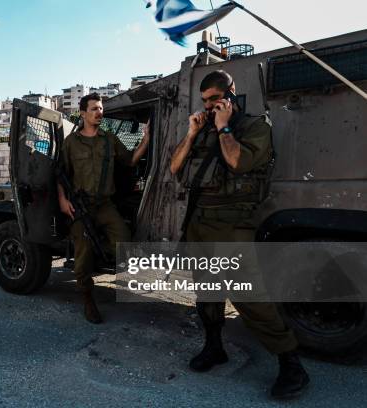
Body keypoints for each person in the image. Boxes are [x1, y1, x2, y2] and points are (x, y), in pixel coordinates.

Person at [170, 70, 310, 399]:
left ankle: (292, 365)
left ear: (231, 95)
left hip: (232, 228)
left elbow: (238, 162)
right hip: (200, 224)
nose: (208, 106)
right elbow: (175, 168)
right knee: (207, 292)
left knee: (250, 299)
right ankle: (214, 347)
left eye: (214, 99)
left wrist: (223, 127)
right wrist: (191, 134)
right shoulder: (202, 131)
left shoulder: (254, 127)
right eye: (204, 101)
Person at [58, 93, 149, 324]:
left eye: (101, 109)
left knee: (124, 241)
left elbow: (130, 161)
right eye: (94, 109)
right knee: (82, 257)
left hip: (105, 205)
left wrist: (146, 139)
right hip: (81, 206)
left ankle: (99, 252)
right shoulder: (71, 142)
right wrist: (62, 199)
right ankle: (88, 299)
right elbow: (61, 173)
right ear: (83, 113)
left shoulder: (109, 140)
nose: (99, 113)